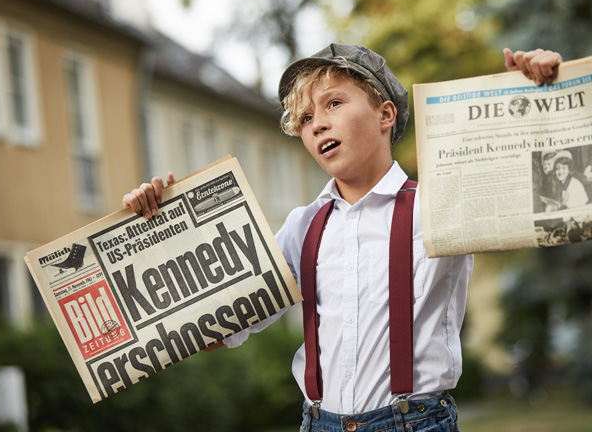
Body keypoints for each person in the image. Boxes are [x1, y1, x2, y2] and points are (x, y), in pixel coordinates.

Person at [122, 45, 562, 431]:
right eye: (306, 118)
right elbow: (215, 330)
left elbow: (537, 187)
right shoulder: (301, 226)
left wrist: (541, 91)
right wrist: (159, 230)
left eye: (333, 104)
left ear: (385, 114)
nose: (316, 125)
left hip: (413, 423)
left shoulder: (439, 204)